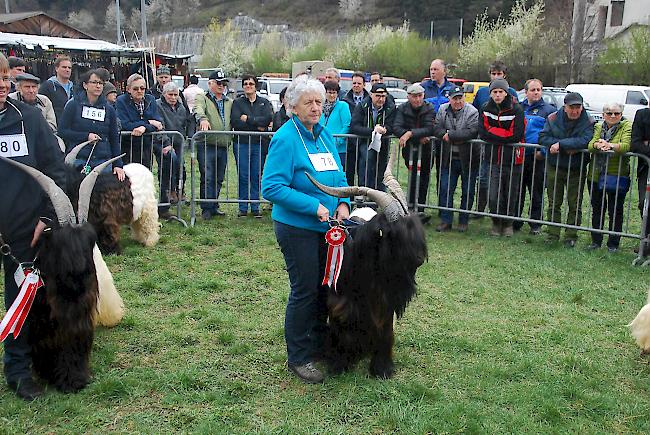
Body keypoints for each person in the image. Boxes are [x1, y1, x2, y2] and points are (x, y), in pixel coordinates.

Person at [261, 75, 350, 384]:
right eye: (309, 102)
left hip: (329, 227)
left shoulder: (324, 135)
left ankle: (317, 343)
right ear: (292, 107)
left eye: (319, 102)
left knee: (325, 286)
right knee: (305, 289)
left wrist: (344, 203)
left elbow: (338, 175)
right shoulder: (285, 138)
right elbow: (271, 187)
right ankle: (298, 356)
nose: (316, 107)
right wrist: (313, 206)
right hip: (296, 227)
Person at [0, 53, 66, 401]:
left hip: (23, 234)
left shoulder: (30, 119)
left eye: (3, 76)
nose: (0, 84)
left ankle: (18, 371)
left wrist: (47, 217)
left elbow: (56, 172)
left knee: (21, 305)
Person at [539, 92, 594, 247]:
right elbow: (543, 138)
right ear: (565, 106)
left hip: (577, 168)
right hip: (554, 166)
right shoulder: (553, 118)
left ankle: (571, 235)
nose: (575, 111)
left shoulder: (588, 120)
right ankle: (552, 234)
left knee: (574, 204)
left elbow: (585, 140)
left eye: (578, 107)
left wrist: (560, 145)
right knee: (553, 202)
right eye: (572, 107)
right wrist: (564, 145)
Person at [116, 73, 172, 217]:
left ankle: (144, 212)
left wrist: (144, 127)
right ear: (128, 89)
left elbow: (158, 122)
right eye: (136, 89)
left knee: (144, 179)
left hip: (146, 146)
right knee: (128, 182)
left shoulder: (150, 99)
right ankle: (127, 212)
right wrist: (148, 123)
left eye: (142, 88)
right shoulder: (121, 101)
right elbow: (124, 123)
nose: (140, 91)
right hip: (127, 147)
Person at [478, 78, 526, 237]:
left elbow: (516, 135)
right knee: (493, 194)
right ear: (490, 93)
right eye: (494, 92)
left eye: (500, 92)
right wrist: (502, 134)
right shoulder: (485, 108)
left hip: (512, 160)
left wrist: (494, 132)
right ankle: (496, 222)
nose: (497, 95)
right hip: (493, 158)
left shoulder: (516, 109)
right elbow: (483, 132)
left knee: (510, 193)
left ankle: (508, 224)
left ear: (506, 93)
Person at [59, 69, 124, 180]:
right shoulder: (73, 105)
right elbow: (63, 131)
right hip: (79, 160)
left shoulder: (109, 109)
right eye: (94, 82)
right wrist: (86, 136)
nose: (98, 86)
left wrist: (118, 164)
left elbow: (114, 138)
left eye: (101, 83)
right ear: (85, 85)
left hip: (103, 161)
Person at [433, 86, 480, 232]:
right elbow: (436, 128)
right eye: (455, 98)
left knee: (468, 190)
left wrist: (450, 135)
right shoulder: (442, 109)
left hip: (469, 159)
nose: (458, 101)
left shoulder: (472, 111)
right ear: (449, 99)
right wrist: (445, 134)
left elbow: (472, 132)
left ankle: (463, 220)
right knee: (446, 188)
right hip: (448, 158)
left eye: (460, 98)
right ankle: (446, 220)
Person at [586, 103, 631, 252]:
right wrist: (598, 146)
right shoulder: (598, 126)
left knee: (615, 210)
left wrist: (610, 145)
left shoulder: (626, 126)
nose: (613, 116)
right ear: (603, 114)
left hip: (617, 175)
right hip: (596, 175)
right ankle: (596, 241)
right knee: (597, 209)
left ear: (621, 114)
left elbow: (625, 146)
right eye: (609, 113)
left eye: (616, 113)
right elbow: (591, 144)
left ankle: (613, 243)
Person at [514, 78, 556, 234]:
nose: (536, 92)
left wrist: (543, 152)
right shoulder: (518, 108)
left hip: (537, 157)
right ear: (526, 92)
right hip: (519, 155)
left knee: (536, 190)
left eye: (538, 89)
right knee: (518, 190)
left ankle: (535, 223)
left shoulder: (549, 110)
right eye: (533, 90)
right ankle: (516, 220)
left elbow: (552, 134)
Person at [231, 74, 273, 218]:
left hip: (258, 144)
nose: (248, 86)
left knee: (256, 175)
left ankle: (255, 206)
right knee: (243, 175)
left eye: (251, 83)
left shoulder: (264, 102)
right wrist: (257, 124)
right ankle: (243, 207)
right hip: (241, 143)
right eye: (245, 84)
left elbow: (267, 119)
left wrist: (248, 119)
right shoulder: (237, 103)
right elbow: (236, 122)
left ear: (256, 86)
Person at [193, 69, 233, 219]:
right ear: (210, 83)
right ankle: (206, 208)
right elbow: (197, 109)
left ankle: (214, 204)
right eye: (218, 83)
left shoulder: (229, 101)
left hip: (223, 145)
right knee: (207, 176)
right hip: (207, 144)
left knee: (218, 177)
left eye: (223, 83)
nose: (221, 86)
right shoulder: (202, 97)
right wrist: (202, 119)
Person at [392, 83, 436, 212]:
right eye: (414, 96)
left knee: (424, 177)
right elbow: (396, 127)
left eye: (419, 96)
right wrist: (414, 135)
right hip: (409, 149)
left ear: (423, 95)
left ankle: (421, 208)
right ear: (408, 97)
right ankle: (410, 206)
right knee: (412, 176)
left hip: (426, 149)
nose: (417, 99)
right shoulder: (402, 108)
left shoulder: (429, 108)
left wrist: (410, 134)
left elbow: (429, 128)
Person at [349, 82, 396, 191]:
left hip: (383, 143)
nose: (381, 99)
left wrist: (385, 129)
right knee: (365, 168)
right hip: (365, 142)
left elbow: (393, 125)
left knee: (382, 172)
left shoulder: (390, 107)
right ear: (371, 95)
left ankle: (380, 200)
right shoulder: (362, 106)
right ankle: (363, 196)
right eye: (378, 96)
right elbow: (354, 126)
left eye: (383, 96)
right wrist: (372, 131)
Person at [157, 82, 194, 205]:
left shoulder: (182, 107)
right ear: (164, 94)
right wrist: (165, 142)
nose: (173, 98)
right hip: (163, 143)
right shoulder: (158, 105)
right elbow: (159, 125)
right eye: (170, 95)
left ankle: (180, 192)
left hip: (179, 142)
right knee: (167, 166)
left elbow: (188, 121)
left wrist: (189, 136)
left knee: (181, 167)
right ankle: (167, 192)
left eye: (175, 95)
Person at [8, 73, 63, 151]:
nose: (31, 91)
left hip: (42, 137)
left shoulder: (45, 101)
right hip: (18, 139)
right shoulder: (11, 100)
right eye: (27, 87)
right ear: (19, 88)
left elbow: (53, 125)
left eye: (34, 87)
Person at [631, 101, 650, 254]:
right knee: (644, 203)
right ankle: (646, 241)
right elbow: (635, 144)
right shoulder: (642, 115)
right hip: (646, 169)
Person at [320, 80, 351, 167]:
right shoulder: (320, 107)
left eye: (334, 93)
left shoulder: (343, 105)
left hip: (339, 149)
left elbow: (347, 125)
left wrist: (337, 141)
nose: (332, 95)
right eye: (329, 92)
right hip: (322, 146)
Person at [38, 55, 74, 123]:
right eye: (64, 67)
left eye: (69, 68)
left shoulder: (74, 88)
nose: (67, 70)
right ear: (56, 69)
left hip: (71, 127)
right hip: (54, 126)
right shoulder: (47, 86)